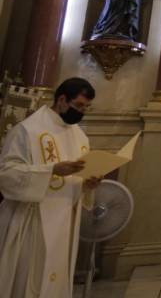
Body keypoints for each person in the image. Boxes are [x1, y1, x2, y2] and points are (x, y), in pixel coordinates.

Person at [0, 77, 101, 298]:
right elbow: (6, 174)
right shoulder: (28, 130)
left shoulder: (80, 136)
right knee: (30, 281)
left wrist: (87, 185)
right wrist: (51, 171)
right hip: (32, 220)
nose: (82, 112)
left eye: (86, 108)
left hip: (65, 221)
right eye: (79, 105)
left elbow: (76, 179)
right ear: (62, 100)